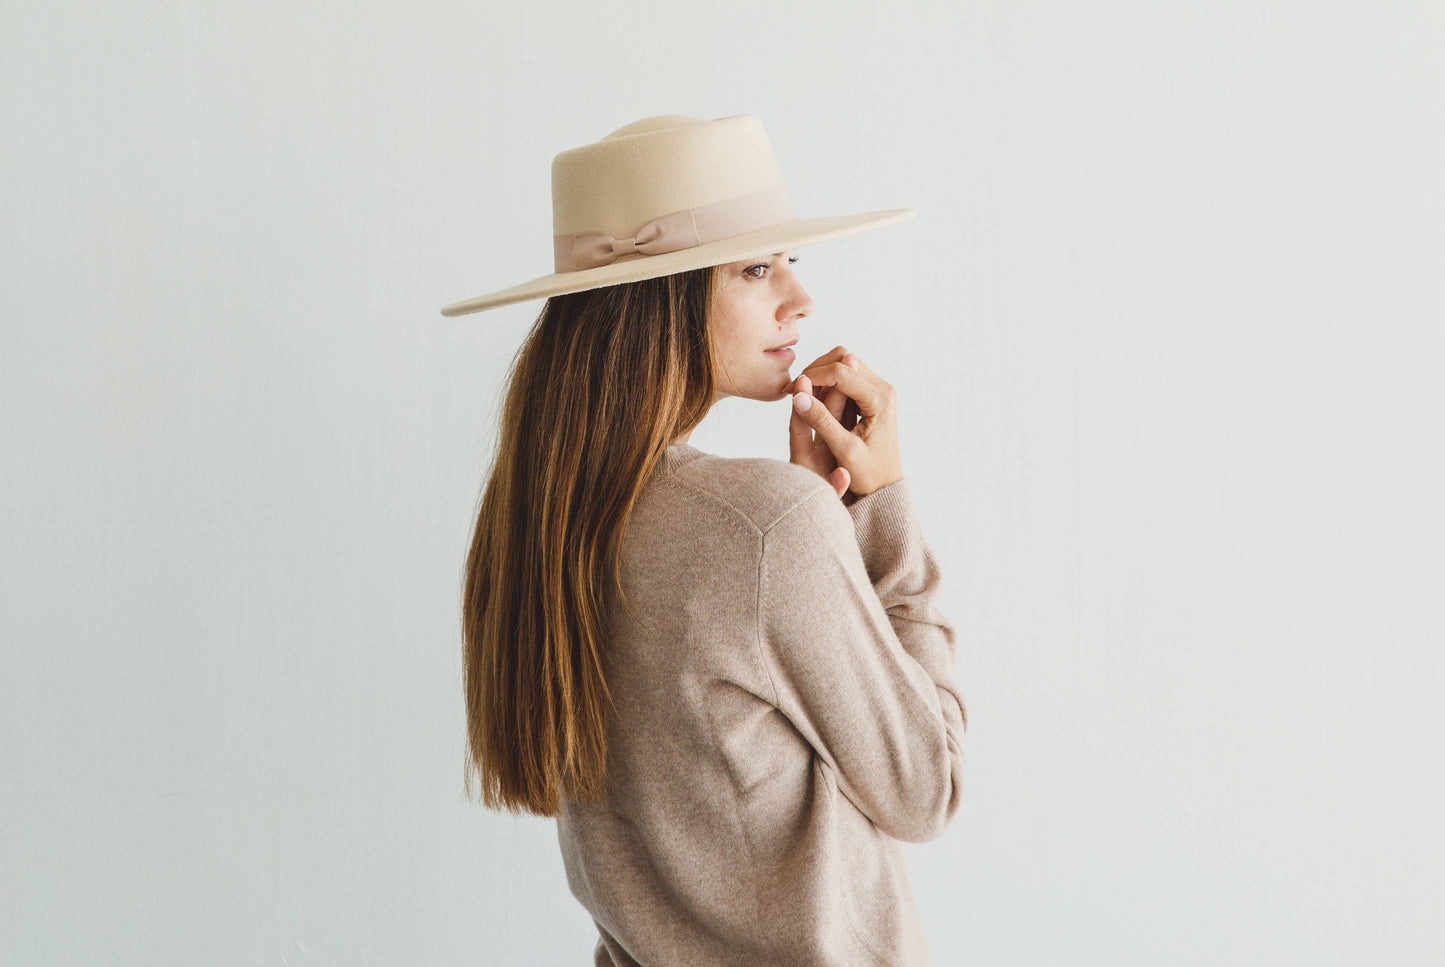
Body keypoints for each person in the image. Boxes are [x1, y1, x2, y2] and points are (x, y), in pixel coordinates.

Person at [440, 113, 968, 966]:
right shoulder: (768, 526)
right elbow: (927, 784)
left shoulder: (541, 525)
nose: (797, 298)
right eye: (755, 268)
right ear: (659, 297)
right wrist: (878, 508)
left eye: (790, 263)